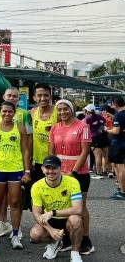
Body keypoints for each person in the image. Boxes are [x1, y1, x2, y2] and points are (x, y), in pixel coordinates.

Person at [0, 100, 30, 250]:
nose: (7, 114)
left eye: (10, 111)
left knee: (15, 202)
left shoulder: (20, 128)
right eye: (4, 111)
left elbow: (25, 151)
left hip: (15, 169)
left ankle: (15, 235)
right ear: (0, 112)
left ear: (14, 112)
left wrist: (27, 171)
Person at [49, 99, 94, 254]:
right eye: (59, 110)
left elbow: (85, 151)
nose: (62, 112)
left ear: (72, 109)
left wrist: (73, 172)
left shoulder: (83, 126)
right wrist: (53, 171)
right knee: (65, 207)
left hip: (78, 174)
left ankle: (86, 239)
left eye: (65, 109)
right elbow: (52, 152)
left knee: (80, 208)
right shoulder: (55, 128)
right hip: (60, 174)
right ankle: (68, 239)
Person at [0, 87, 33, 238]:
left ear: (18, 99)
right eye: (9, 95)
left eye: (14, 96)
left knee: (15, 199)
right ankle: (2, 223)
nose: (11, 98)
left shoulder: (25, 114)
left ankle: (17, 229)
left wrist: (28, 165)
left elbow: (28, 140)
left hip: (17, 163)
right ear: (4, 96)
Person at [30, 155, 84, 262]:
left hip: (68, 218)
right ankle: (54, 242)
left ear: (60, 168)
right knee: (35, 235)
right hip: (51, 221)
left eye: (54, 168)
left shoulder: (72, 182)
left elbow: (78, 209)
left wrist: (53, 212)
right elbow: (36, 213)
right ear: (42, 169)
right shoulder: (36, 186)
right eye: (47, 168)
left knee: (76, 220)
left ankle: (75, 253)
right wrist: (50, 230)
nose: (50, 171)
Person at [30, 83, 58, 183]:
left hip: (55, 159)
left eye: (46, 95)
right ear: (34, 97)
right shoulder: (32, 112)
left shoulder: (58, 112)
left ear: (50, 96)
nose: (43, 98)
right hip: (37, 161)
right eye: (39, 95)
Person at [106, 97, 125, 199]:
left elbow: (116, 131)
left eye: (112, 104)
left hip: (118, 144)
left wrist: (107, 130)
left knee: (120, 167)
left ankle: (122, 192)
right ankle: (121, 188)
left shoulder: (118, 115)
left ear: (115, 105)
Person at [84, 104, 108, 179]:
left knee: (97, 156)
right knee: (105, 155)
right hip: (104, 136)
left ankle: (98, 172)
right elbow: (105, 124)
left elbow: (85, 129)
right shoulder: (101, 116)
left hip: (94, 137)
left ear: (87, 111)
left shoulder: (88, 119)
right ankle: (105, 171)